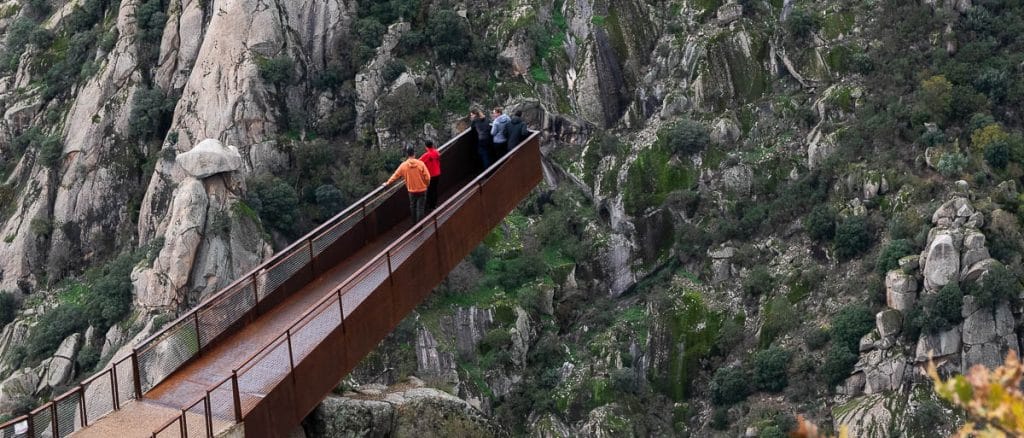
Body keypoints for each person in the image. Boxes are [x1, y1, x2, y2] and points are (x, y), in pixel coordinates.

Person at [383, 145, 431, 224]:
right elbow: (428, 177)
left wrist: (387, 183)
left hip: (411, 191)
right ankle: (420, 225)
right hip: (422, 189)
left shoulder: (403, 165)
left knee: (413, 207)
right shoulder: (421, 164)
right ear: (414, 153)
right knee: (420, 208)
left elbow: (395, 176)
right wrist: (426, 184)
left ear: (407, 154)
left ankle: (414, 224)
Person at [419, 140, 442, 212]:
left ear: (426, 147)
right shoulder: (436, 152)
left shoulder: (426, 155)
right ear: (432, 145)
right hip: (437, 173)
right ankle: (434, 205)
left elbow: (418, 162)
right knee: (434, 190)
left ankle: (428, 207)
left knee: (429, 191)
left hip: (430, 175)